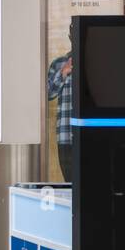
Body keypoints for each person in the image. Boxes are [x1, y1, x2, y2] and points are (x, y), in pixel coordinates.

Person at [47, 52, 73, 182]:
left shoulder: (98, 61)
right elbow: (47, 93)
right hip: (66, 137)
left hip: (92, 134)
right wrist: (63, 72)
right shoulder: (58, 63)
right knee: (70, 184)